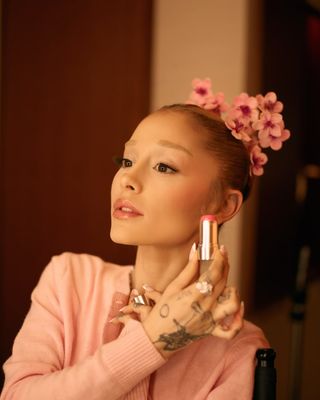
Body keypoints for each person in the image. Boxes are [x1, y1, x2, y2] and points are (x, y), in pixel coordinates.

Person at [0, 79, 290, 399]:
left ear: (224, 205)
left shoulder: (239, 349)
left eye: (163, 166)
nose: (128, 179)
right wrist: (153, 340)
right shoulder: (70, 279)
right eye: (127, 160)